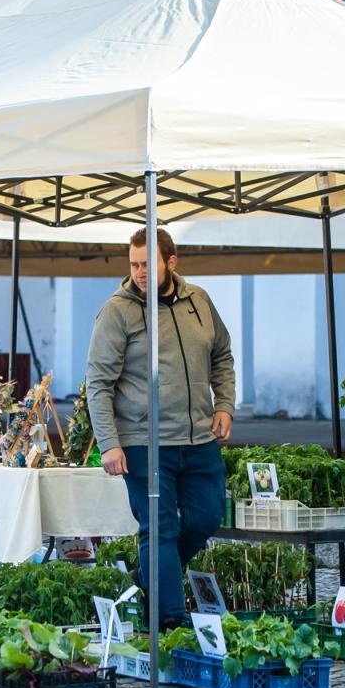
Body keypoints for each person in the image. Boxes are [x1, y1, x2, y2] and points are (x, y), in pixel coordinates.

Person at [85, 227, 235, 631]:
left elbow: (222, 354)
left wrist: (224, 405)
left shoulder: (198, 301)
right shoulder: (117, 311)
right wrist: (109, 444)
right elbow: (98, 383)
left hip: (199, 437)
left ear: (171, 262)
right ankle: (170, 621)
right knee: (160, 526)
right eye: (134, 264)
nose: (139, 272)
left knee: (207, 518)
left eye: (147, 264)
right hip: (143, 442)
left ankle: (149, 576)